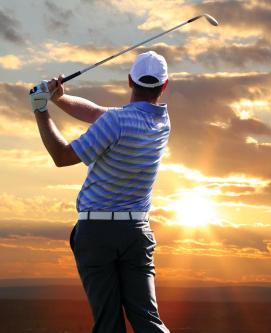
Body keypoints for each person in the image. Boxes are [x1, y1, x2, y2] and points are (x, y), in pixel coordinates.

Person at [29, 51, 171, 333]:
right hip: (137, 232)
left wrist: (40, 109)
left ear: (130, 80)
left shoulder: (116, 122)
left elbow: (61, 156)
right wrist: (59, 98)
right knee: (147, 320)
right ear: (165, 85)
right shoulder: (161, 122)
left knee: (108, 324)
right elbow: (96, 113)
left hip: (97, 233)